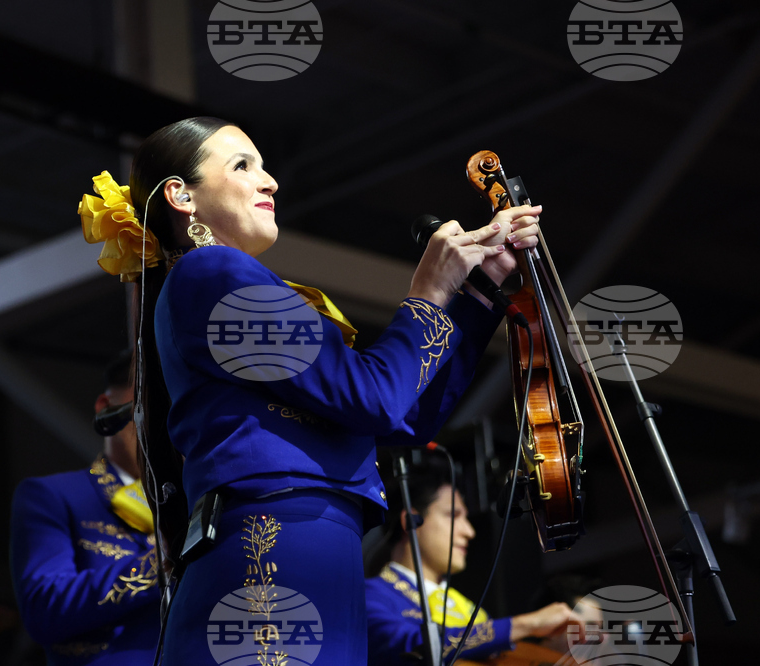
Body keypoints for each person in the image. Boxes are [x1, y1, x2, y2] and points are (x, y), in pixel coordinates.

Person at [78, 116, 543, 665]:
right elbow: (374, 397)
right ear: (182, 197)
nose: (271, 181)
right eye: (243, 166)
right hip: (279, 539)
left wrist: (479, 292)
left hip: (310, 544)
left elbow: (403, 414)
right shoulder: (211, 271)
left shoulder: (216, 283)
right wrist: (429, 293)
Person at [10, 350, 160, 665]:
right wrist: (159, 563)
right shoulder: (54, 495)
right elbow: (44, 610)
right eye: (149, 401)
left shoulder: (195, 503)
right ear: (106, 407)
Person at [364, 460, 586, 664]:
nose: (469, 531)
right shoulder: (370, 596)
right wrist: (526, 624)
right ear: (411, 521)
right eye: (453, 515)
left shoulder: (465, 606)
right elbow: (414, 647)